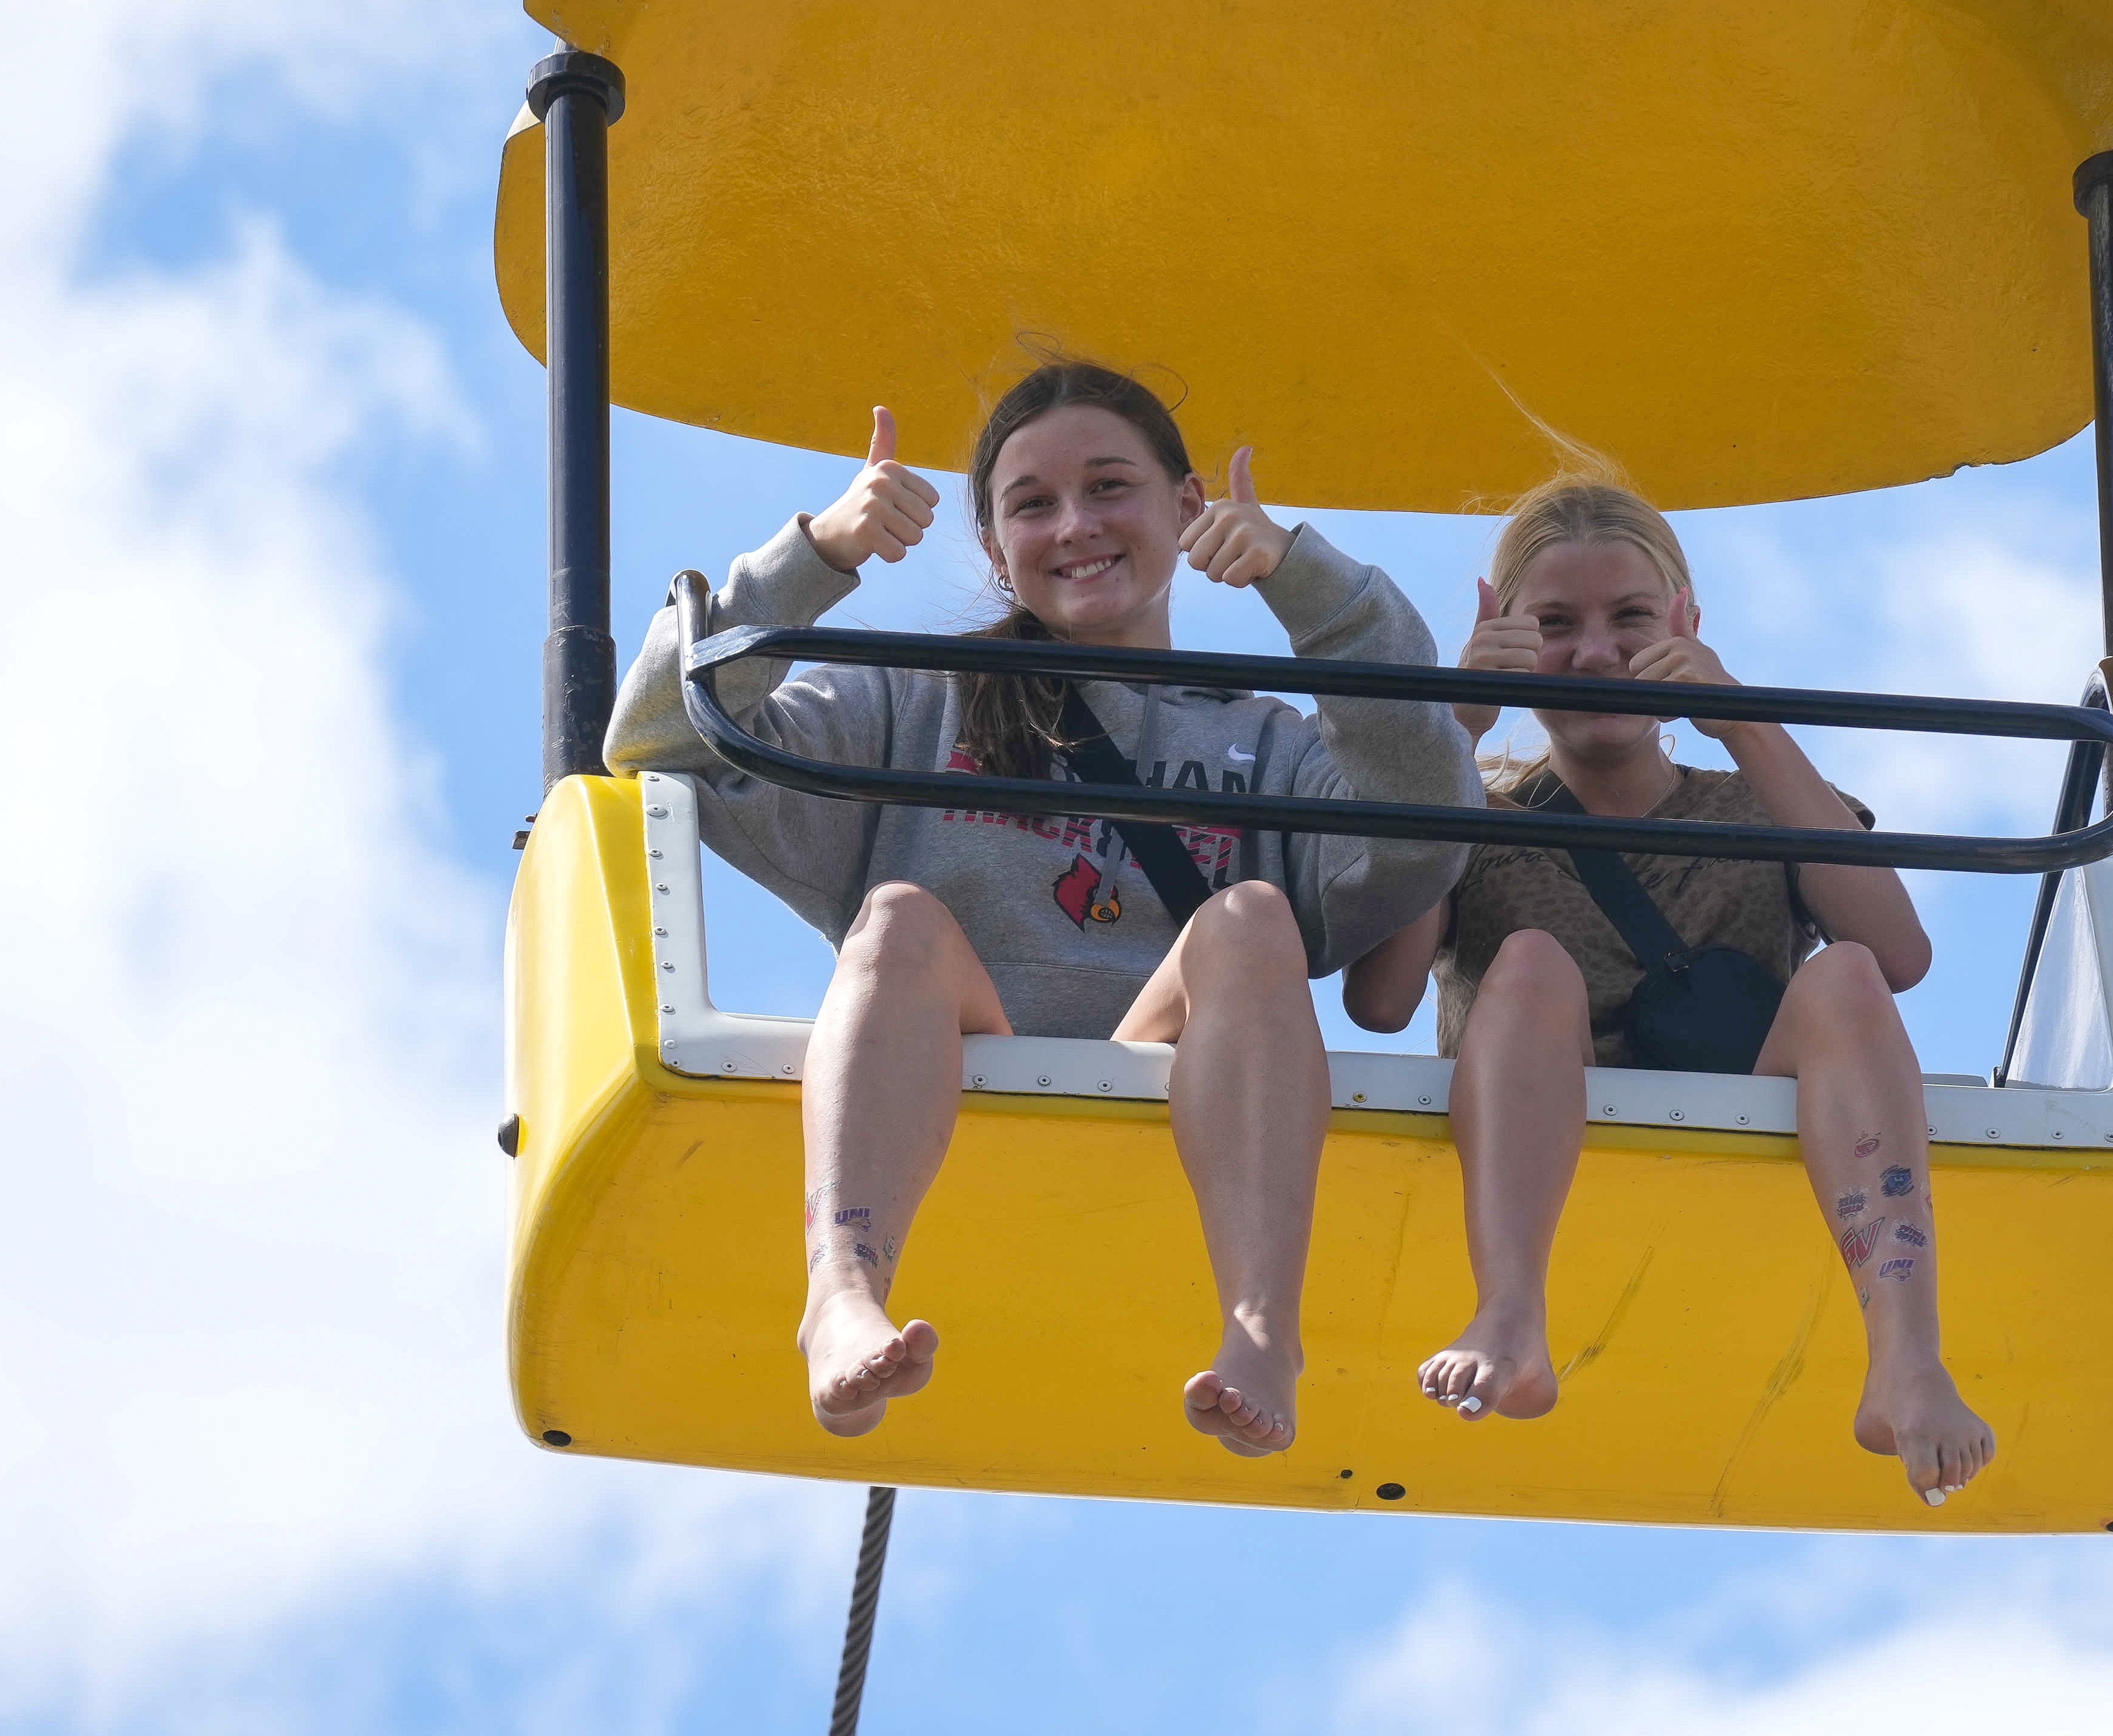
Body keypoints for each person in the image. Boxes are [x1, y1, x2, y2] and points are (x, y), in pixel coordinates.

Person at [604, 362, 1479, 1456]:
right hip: (957, 1062)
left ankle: (1262, 1323)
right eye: (1033, 504)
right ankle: (840, 1287)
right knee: (900, 921)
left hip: (1169, 1068)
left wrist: (1309, 585)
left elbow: (1431, 818)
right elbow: (656, 739)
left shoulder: (1265, 741)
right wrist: (813, 559)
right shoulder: (912, 699)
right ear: (994, 545)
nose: (1076, 525)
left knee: (1254, 918)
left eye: (1111, 487)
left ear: (1189, 509)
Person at [1341, 477, 1993, 1505]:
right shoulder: (1477, 809)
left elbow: (1898, 952)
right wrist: (1448, 738)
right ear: (1500, 631)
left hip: (1750, 1110)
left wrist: (1740, 721)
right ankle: (1510, 1313)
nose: (1596, 655)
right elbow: (1378, 999)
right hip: (1536, 1106)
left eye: (1632, 620)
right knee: (1531, 962)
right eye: (1554, 626)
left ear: (1686, 622)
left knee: (1850, 977)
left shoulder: (1759, 799)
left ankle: (1908, 1360)